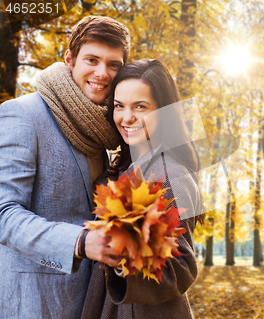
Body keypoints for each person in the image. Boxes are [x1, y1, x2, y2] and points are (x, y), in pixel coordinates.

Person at [0, 16, 130, 318]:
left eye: (114, 64)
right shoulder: (22, 114)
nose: (103, 73)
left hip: (91, 302)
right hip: (33, 304)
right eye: (92, 60)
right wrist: (80, 242)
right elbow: (4, 213)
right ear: (69, 59)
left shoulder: (105, 130)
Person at [81, 59, 204, 319]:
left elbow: (181, 267)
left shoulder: (169, 173)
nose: (127, 117)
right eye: (119, 106)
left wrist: (117, 248)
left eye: (140, 106)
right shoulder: (125, 168)